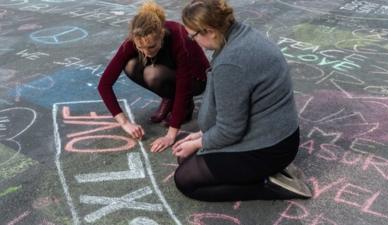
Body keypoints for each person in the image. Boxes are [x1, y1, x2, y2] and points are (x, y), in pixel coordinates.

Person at [171, 0, 312, 202]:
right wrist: (202, 135)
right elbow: (236, 110)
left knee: (186, 180)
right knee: (184, 157)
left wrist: (199, 142)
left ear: (210, 30)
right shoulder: (242, 33)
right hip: (279, 136)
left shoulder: (232, 62)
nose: (193, 41)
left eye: (193, 36)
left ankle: (269, 187)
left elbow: (230, 130)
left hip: (269, 148)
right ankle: (272, 171)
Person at [98, 1, 209, 152]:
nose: (146, 52)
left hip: (196, 79)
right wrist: (124, 123)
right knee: (130, 66)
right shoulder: (135, 39)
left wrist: (170, 135)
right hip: (168, 70)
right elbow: (104, 84)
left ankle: (185, 106)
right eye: (140, 47)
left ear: (161, 35)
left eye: (151, 46)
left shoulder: (178, 38)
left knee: (153, 74)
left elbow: (184, 88)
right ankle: (169, 97)